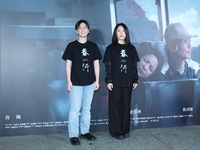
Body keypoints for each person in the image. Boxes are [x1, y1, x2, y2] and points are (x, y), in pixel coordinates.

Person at [62, 20, 102, 146]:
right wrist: (68, 81)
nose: (83, 30)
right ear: (76, 31)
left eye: (85, 28)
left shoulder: (93, 46)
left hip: (90, 82)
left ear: (88, 30)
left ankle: (85, 132)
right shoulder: (71, 46)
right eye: (80, 28)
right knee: (74, 110)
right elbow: (68, 64)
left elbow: (96, 64)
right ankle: (73, 135)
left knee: (86, 109)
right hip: (76, 83)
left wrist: (97, 80)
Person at [103, 23, 139, 140]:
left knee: (126, 106)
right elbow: (108, 66)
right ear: (115, 33)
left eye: (123, 31)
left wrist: (135, 79)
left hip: (128, 82)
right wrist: (109, 80)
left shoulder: (131, 48)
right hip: (115, 82)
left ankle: (125, 129)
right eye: (119, 31)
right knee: (115, 107)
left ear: (127, 33)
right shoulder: (110, 48)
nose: (121, 33)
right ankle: (115, 131)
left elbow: (134, 66)